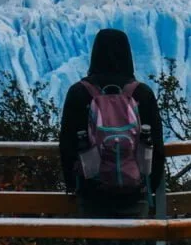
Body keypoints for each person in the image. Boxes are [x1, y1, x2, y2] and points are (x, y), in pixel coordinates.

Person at [59, 29, 165, 219]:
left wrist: (74, 184)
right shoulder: (142, 93)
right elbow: (157, 145)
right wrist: (148, 183)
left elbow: (66, 144)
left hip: (92, 194)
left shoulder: (78, 93)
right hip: (134, 194)